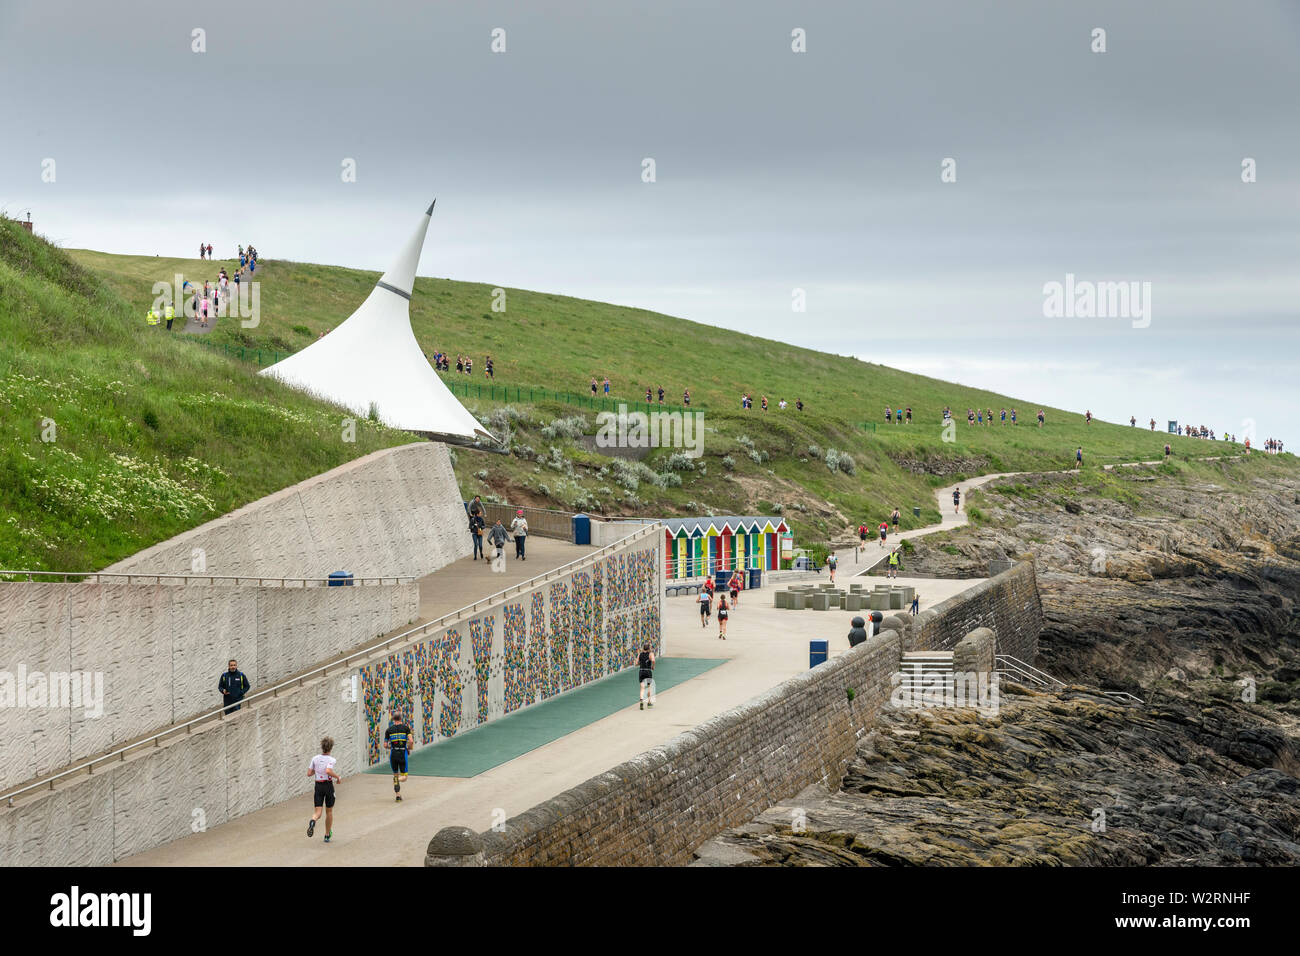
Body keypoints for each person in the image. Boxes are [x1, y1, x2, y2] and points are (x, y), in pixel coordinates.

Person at [307, 737, 341, 842]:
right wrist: (337, 777)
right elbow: (328, 770)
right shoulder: (331, 759)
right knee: (329, 811)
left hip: (318, 786)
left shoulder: (315, 758)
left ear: (322, 747)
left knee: (317, 813)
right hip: (328, 786)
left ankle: (313, 821)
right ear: (331, 748)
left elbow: (309, 773)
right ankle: (327, 835)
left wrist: (317, 771)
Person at [384, 711, 412, 802]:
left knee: (395, 774)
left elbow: (385, 745)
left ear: (393, 719)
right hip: (402, 753)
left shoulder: (389, 730)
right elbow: (411, 741)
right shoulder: (406, 728)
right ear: (401, 718)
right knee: (404, 777)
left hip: (393, 754)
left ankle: (398, 795)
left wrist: (391, 747)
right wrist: (409, 748)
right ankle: (397, 780)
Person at [637, 643, 656, 709]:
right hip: (648, 671)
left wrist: (641, 662)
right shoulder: (651, 654)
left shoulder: (640, 654)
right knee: (648, 687)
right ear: (649, 648)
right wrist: (653, 666)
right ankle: (649, 702)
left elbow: (636, 663)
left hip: (641, 671)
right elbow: (653, 660)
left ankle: (641, 700)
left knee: (642, 687)